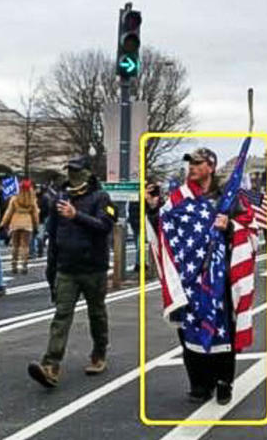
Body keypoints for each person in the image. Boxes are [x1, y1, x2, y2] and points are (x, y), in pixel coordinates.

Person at [134, 147, 254, 405]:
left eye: (198, 163)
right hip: (188, 277)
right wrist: (153, 208)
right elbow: (164, 228)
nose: (192, 167)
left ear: (210, 166)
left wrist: (230, 226)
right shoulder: (179, 198)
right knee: (189, 326)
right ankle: (199, 383)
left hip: (220, 275)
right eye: (190, 163)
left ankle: (224, 381)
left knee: (223, 328)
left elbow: (251, 229)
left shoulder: (230, 198)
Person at [27, 156, 115, 389]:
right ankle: (51, 365)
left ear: (87, 173)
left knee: (97, 313)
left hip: (93, 267)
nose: (73, 176)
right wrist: (51, 268)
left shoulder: (101, 197)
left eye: (77, 171)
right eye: (70, 171)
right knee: (61, 316)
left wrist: (76, 215)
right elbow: (54, 236)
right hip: (67, 267)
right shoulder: (61, 198)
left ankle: (99, 353)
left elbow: (105, 226)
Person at [1, 178, 41, 275]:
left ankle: (14, 265)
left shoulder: (14, 198)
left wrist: (3, 223)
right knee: (25, 246)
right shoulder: (32, 200)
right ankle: (24, 265)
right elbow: (35, 214)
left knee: (15, 245)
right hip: (27, 223)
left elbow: (9, 212)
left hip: (15, 222)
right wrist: (36, 224)